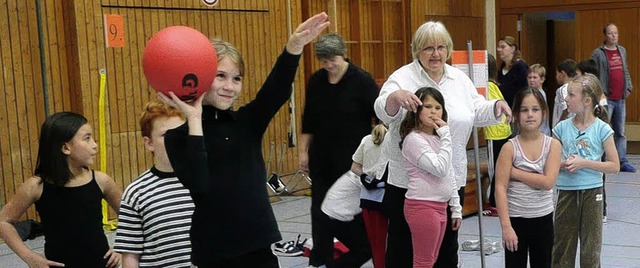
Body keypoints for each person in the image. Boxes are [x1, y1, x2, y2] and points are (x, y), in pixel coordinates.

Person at [159, 13, 330, 267]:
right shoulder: (178, 137)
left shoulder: (246, 123)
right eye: (221, 76)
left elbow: (276, 92)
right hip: (216, 252)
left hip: (258, 245)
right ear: (201, 76)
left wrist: (293, 48)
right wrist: (194, 119)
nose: (230, 86)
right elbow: (199, 183)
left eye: (236, 78)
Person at [374, 21, 512, 268]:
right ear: (417, 50)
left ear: (448, 49)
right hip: (409, 185)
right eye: (428, 48)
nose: (435, 54)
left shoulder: (459, 78)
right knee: (403, 250)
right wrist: (395, 98)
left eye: (440, 47)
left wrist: (495, 107)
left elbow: (476, 109)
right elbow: (383, 111)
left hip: (449, 180)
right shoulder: (402, 76)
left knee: (446, 251)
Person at [0, 112, 122, 268]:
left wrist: (122, 247)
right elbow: (4, 221)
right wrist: (30, 257)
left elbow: (130, 216)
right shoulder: (36, 186)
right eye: (87, 138)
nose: (95, 145)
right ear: (66, 148)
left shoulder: (101, 180)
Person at [298, 32, 379, 267]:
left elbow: (380, 119)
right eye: (323, 61)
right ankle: (320, 258)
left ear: (343, 54)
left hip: (351, 160)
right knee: (320, 210)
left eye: (332, 59)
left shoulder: (362, 81)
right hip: (322, 157)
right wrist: (303, 151)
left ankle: (364, 249)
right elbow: (308, 120)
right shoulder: (316, 81)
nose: (328, 65)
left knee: (351, 210)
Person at [114, 100, 195, 267]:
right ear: (149, 143)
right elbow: (130, 255)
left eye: (181, 132)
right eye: (166, 135)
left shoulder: (206, 182)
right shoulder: (136, 193)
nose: (176, 140)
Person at [552, 73, 619, 267]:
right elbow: (549, 163)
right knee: (562, 248)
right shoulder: (561, 128)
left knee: (591, 250)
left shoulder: (602, 129)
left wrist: (584, 163)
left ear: (587, 100)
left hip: (592, 193)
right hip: (566, 193)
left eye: (571, 95)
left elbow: (614, 165)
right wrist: (563, 164)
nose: (566, 99)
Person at [495, 88, 562, 268]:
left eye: (535, 109)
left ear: (544, 113)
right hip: (516, 221)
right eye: (524, 110)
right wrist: (506, 227)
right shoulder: (509, 148)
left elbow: (548, 182)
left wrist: (515, 173)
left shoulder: (553, 145)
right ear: (516, 114)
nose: (530, 115)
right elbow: (500, 188)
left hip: (543, 220)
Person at [400, 87, 461, 267]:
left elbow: (450, 173)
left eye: (438, 107)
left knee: (432, 260)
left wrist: (455, 208)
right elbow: (440, 168)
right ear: (417, 109)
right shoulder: (414, 140)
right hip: (422, 205)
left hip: (440, 206)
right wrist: (446, 135)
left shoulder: (439, 139)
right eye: (428, 106)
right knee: (424, 262)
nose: (433, 111)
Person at [591, 23, 635, 173]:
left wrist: (628, 86)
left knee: (620, 132)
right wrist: (598, 93)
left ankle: (622, 161)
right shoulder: (598, 53)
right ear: (605, 35)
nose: (614, 36)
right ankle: (601, 160)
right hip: (606, 98)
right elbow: (593, 74)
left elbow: (625, 70)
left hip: (620, 98)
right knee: (603, 129)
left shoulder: (622, 50)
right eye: (610, 33)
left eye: (616, 33)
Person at [351, 123, 388, 268]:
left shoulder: (366, 139)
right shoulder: (393, 140)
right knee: (389, 243)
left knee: (375, 243)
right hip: (386, 197)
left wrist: (367, 178)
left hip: (368, 198)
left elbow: (354, 167)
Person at [319, 171, 373, 267]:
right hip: (336, 217)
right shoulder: (364, 175)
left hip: (334, 213)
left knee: (369, 243)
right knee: (365, 250)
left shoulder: (360, 170)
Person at [484, 53, 512, 215]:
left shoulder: (488, 86)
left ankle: (494, 201)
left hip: (496, 133)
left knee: (495, 168)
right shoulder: (493, 86)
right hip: (501, 131)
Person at [497, 36, 529, 107]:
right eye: (498, 47)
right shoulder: (500, 69)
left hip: (517, 108)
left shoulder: (520, 67)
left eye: (502, 47)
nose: (499, 50)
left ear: (512, 49)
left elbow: (526, 89)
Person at [551, 59, 577, 127]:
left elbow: (566, 108)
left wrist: (559, 124)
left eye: (557, 74)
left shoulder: (562, 90)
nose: (556, 77)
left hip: (564, 127)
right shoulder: (578, 88)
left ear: (562, 74)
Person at [527, 64, 551, 136]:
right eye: (529, 77)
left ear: (542, 79)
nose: (531, 80)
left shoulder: (539, 95)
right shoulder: (531, 93)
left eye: (534, 77)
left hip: (541, 131)